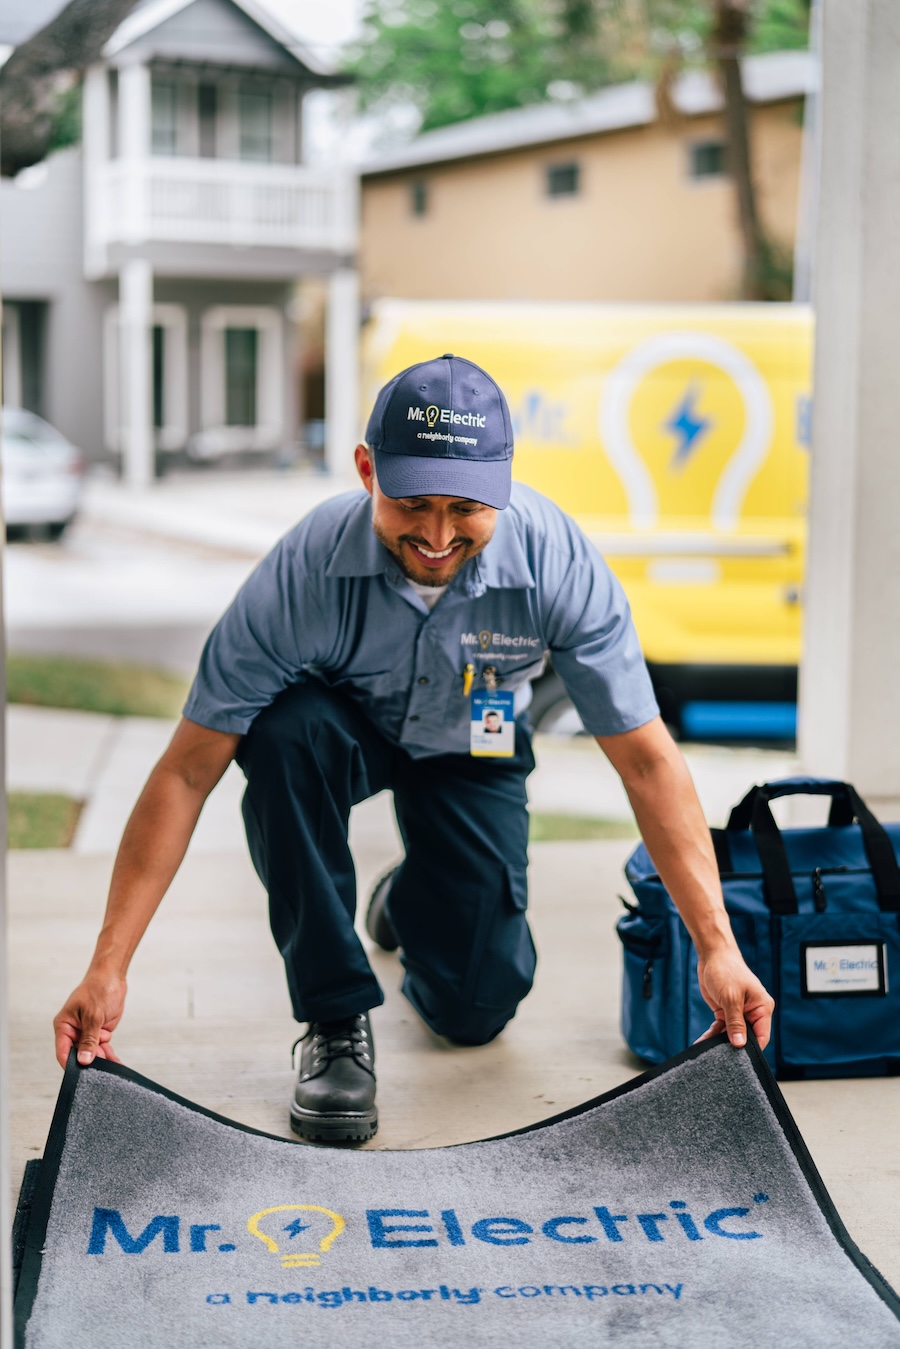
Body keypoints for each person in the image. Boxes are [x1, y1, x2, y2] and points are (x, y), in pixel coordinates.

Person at [54, 353, 774, 1144]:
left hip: (475, 741)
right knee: (283, 735)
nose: (435, 535)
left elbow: (647, 760)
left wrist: (718, 947)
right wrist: (108, 965)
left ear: (504, 484)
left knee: (475, 1010)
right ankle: (334, 1019)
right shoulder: (302, 570)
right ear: (367, 470)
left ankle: (407, 897)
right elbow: (188, 770)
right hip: (346, 728)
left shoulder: (556, 563)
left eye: (465, 506)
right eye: (412, 502)